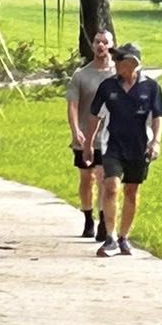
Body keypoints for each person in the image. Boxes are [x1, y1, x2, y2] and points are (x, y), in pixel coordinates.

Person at [82, 41, 162, 259]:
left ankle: (124, 237)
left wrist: (155, 141)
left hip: (139, 147)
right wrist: (88, 143)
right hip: (112, 145)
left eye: (119, 59)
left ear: (132, 63)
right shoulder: (108, 87)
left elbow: (158, 116)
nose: (115, 62)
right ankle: (109, 238)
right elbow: (95, 116)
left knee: (131, 191)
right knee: (111, 186)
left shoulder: (151, 87)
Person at [66, 27, 116, 242]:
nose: (100, 45)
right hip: (85, 137)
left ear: (111, 45)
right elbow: (73, 106)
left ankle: (104, 221)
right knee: (87, 179)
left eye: (105, 42)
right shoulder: (81, 75)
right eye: (97, 41)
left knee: (104, 178)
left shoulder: (117, 73)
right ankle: (88, 218)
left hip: (109, 138)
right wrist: (76, 130)